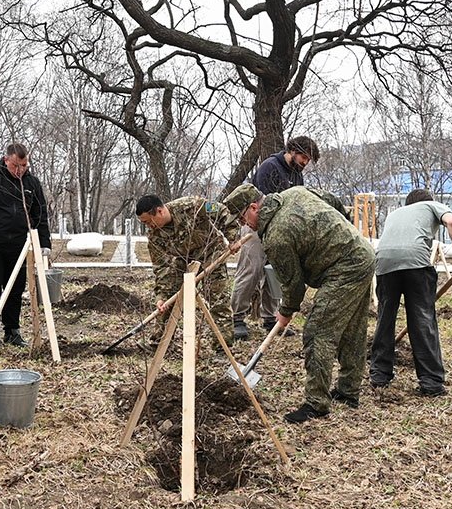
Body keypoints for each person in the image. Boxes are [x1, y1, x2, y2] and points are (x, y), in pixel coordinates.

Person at [223, 183, 374, 424]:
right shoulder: (294, 193)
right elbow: (332, 199)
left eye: (242, 218)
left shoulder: (276, 236)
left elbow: (293, 285)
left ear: (254, 207)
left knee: (317, 332)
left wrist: (285, 311)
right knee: (352, 328)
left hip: (343, 269)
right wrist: (347, 231)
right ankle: (348, 392)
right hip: (362, 254)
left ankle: (316, 404)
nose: (244, 225)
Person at [368, 189, 452, 397]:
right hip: (416, 264)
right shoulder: (431, 206)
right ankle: (431, 382)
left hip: (384, 263)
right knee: (422, 320)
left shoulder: (395, 213)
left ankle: (379, 374)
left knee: (385, 318)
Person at [232, 136, 320, 341]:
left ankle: (270, 317)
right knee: (251, 270)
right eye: (304, 157)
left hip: (280, 231)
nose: (305, 162)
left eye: (308, 159)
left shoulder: (297, 176)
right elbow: (263, 205)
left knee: (275, 273)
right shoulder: (269, 167)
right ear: (292, 151)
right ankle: (237, 317)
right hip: (256, 227)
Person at [0, 143, 51, 348]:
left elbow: (40, 214)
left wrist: (44, 243)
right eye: (16, 165)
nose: (20, 169)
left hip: (18, 245)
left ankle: (12, 331)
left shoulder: (32, 183)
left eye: (24, 165)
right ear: (6, 160)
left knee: (15, 289)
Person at [136, 194, 239, 346]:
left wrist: (233, 238)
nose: (148, 225)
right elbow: (161, 267)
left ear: (159, 211)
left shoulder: (193, 205)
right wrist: (161, 296)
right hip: (180, 261)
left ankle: (222, 346)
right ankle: (160, 342)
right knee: (167, 300)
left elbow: (222, 211)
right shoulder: (155, 236)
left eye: (148, 221)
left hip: (210, 254)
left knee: (218, 299)